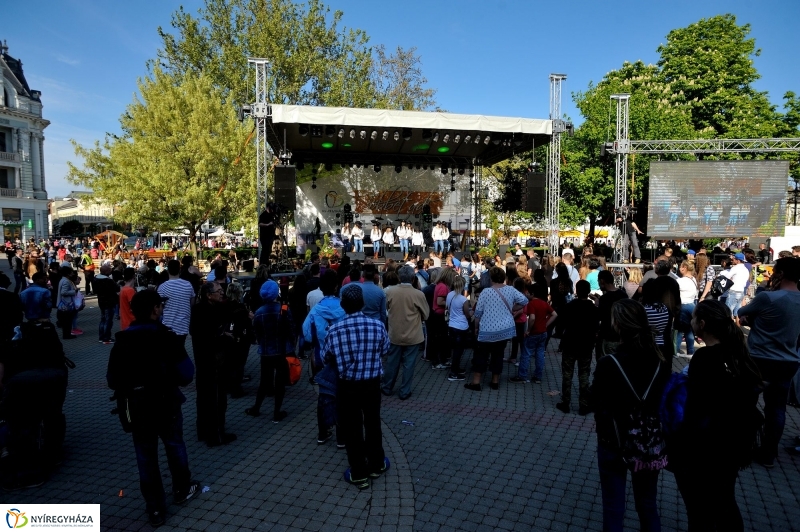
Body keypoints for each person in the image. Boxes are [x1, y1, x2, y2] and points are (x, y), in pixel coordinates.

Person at [107, 289, 200, 528]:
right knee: (174, 445)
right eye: (160, 306)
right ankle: (182, 488)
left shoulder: (123, 340)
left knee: (146, 456)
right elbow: (187, 373)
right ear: (154, 309)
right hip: (165, 402)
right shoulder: (166, 337)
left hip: (138, 408)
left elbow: (112, 379)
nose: (162, 309)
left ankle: (155, 507)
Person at [671, 300, 762, 532]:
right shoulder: (739, 354)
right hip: (732, 445)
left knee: (701, 511)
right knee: (724, 501)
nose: (690, 322)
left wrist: (679, 446)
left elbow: (695, 410)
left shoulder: (705, 359)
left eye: (693, 318)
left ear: (702, 324)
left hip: (706, 448)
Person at [590, 299, 670, 532]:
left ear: (618, 326)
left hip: (613, 441)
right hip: (649, 441)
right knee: (647, 503)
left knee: (614, 506)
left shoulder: (609, 363)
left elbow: (597, 401)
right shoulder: (660, 360)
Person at [321, 284, 390, 489]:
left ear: (342, 305)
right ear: (362, 303)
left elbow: (326, 357)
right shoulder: (377, 326)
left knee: (352, 426)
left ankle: (359, 472)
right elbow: (385, 349)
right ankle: (377, 464)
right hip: (371, 383)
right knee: (372, 422)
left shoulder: (334, 330)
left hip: (348, 384)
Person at [737, 257, 800, 468]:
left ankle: (743, 448)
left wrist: (751, 320)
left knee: (746, 404)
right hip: (789, 360)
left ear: (780, 273)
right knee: (777, 409)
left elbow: (741, 313)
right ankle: (768, 454)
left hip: (760, 358)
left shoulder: (769, 298)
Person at [465, 267, 528, 391]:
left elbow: (478, 313)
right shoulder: (511, 290)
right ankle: (495, 381)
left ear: (491, 278)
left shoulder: (485, 292)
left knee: (481, 355)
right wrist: (513, 308)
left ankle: (476, 382)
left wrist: (476, 328)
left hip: (487, 330)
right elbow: (525, 300)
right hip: (504, 330)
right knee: (498, 355)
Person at [190, 282, 236, 446]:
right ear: (209, 295)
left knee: (204, 397)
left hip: (203, 361)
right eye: (218, 291)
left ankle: (203, 430)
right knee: (216, 398)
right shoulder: (209, 312)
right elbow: (211, 337)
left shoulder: (198, 309)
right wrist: (226, 337)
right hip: (213, 361)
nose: (222, 292)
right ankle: (216, 434)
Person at [246, 280, 294, 423]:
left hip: (266, 351)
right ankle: (277, 412)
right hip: (281, 351)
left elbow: (256, 333)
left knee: (264, 382)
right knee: (280, 382)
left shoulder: (259, 313)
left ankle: (256, 407)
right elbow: (291, 328)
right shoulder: (283, 308)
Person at [380, 266, 429, 399]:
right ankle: (405, 391)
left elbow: (386, 310)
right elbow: (426, 314)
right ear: (413, 278)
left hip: (395, 333)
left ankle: (386, 387)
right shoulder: (418, 294)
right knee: (409, 364)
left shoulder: (390, 292)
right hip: (413, 334)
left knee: (392, 362)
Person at [555, 280, 599, 415]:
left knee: (567, 374)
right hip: (586, 344)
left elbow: (561, 324)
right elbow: (596, 326)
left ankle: (566, 402)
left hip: (570, 343)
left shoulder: (570, 306)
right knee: (584, 374)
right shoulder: (593, 309)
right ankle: (583, 405)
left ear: (577, 290)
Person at [511, 282, 556, 384]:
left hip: (534, 333)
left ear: (532, 294)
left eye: (528, 293)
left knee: (526, 354)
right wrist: (545, 325)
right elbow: (554, 314)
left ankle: (522, 375)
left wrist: (528, 330)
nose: (526, 294)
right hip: (543, 332)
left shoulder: (531, 304)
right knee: (540, 353)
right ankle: (538, 376)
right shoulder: (544, 303)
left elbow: (532, 318)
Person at [157, 260, 196, 345]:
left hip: (167, 324)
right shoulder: (188, 284)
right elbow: (192, 302)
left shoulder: (162, 287)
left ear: (168, 270)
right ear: (179, 270)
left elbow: (159, 307)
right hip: (184, 324)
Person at [445, 276, 473, 382]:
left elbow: (447, 307)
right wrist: (471, 313)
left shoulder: (449, 295)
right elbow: (467, 314)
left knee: (455, 349)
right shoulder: (463, 299)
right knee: (459, 350)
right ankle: (453, 373)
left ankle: (456, 368)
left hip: (452, 325)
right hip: (461, 326)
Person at [596, 270, 628, 359]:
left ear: (602, 281)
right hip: (621, 336)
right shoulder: (623, 295)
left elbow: (600, 316)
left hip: (607, 335)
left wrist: (597, 304)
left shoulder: (604, 299)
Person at [429, 267, 456, 370]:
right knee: (440, 339)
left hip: (439, 315)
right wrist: (451, 303)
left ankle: (441, 360)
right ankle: (437, 362)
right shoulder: (443, 287)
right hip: (440, 315)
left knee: (440, 339)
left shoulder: (440, 285)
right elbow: (440, 301)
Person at [675, 261, 698, 356]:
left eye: (680, 266)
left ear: (684, 268)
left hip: (683, 305)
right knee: (689, 330)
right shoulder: (693, 279)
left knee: (679, 331)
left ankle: (675, 351)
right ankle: (691, 351)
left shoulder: (680, 281)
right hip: (692, 305)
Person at [94, 264, 120, 344]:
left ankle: (101, 336)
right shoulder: (108, 281)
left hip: (101, 301)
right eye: (109, 270)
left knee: (103, 319)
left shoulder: (95, 279)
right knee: (108, 320)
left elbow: (95, 291)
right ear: (106, 272)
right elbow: (116, 289)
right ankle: (106, 337)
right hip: (109, 302)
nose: (111, 271)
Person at [719, 252, 749, 318]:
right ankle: (738, 328)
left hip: (733, 292)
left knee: (728, 314)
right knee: (737, 314)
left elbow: (726, 277)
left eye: (733, 259)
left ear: (738, 260)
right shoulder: (746, 270)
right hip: (741, 292)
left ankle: (730, 328)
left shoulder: (735, 268)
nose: (732, 261)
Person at [56, 266, 78, 340]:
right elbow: (64, 292)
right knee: (67, 321)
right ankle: (67, 335)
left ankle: (67, 334)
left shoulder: (63, 280)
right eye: (71, 272)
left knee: (67, 321)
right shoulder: (66, 281)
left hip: (64, 303)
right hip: (66, 304)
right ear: (68, 273)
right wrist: (74, 291)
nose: (72, 273)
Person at [119, 267, 137, 331]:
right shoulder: (130, 290)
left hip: (125, 322)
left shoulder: (123, 289)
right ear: (134, 276)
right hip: (131, 322)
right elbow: (135, 307)